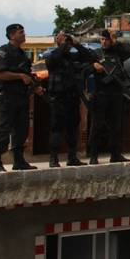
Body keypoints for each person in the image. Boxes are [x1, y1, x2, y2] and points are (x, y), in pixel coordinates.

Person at [0, 23, 42, 172]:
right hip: (7, 97)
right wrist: (19, 76)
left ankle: (19, 161)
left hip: (21, 97)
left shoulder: (22, 54)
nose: (24, 34)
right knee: (4, 128)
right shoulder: (3, 52)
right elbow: (0, 74)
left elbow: (27, 74)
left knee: (21, 129)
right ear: (12, 35)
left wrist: (36, 86)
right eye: (21, 32)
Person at [45, 32, 99, 167]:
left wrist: (76, 44)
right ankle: (54, 159)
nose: (67, 45)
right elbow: (55, 57)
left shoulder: (73, 57)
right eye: (65, 43)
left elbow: (91, 57)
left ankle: (72, 157)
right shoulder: (53, 57)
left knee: (72, 128)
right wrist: (63, 43)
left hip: (73, 97)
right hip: (58, 98)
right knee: (57, 128)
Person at [88, 30, 130, 164]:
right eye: (102, 39)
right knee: (97, 126)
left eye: (106, 39)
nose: (104, 42)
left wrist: (116, 42)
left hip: (116, 93)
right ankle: (93, 156)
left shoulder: (117, 52)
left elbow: (129, 52)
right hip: (100, 93)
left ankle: (115, 154)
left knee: (115, 126)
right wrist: (93, 66)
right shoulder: (95, 54)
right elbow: (84, 67)